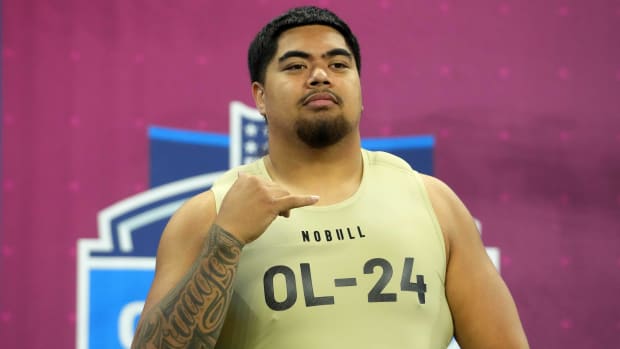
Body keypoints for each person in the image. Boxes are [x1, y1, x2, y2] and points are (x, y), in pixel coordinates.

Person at [131, 6, 529, 349]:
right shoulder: (208, 216)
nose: (320, 75)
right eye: (296, 66)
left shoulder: (434, 204)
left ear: (360, 86)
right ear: (260, 96)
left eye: (339, 64)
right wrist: (225, 242)